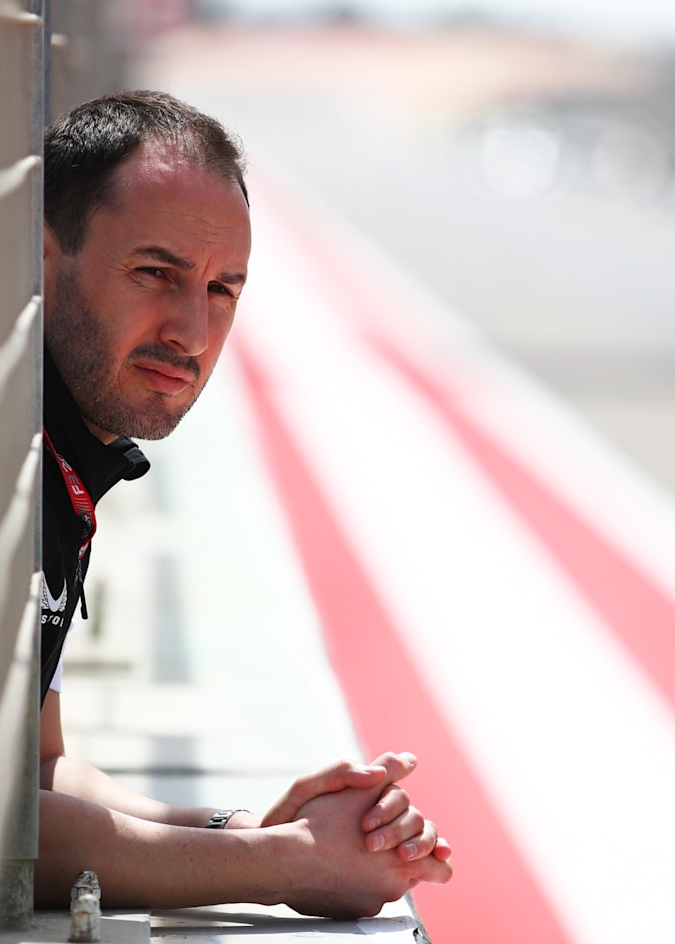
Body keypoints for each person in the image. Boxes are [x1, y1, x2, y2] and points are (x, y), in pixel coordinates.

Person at [35, 90, 452, 918]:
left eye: (224, 289)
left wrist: (244, 829)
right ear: (41, 256)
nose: (191, 330)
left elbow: (38, 771)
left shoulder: (66, 454)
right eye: (155, 273)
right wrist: (285, 866)